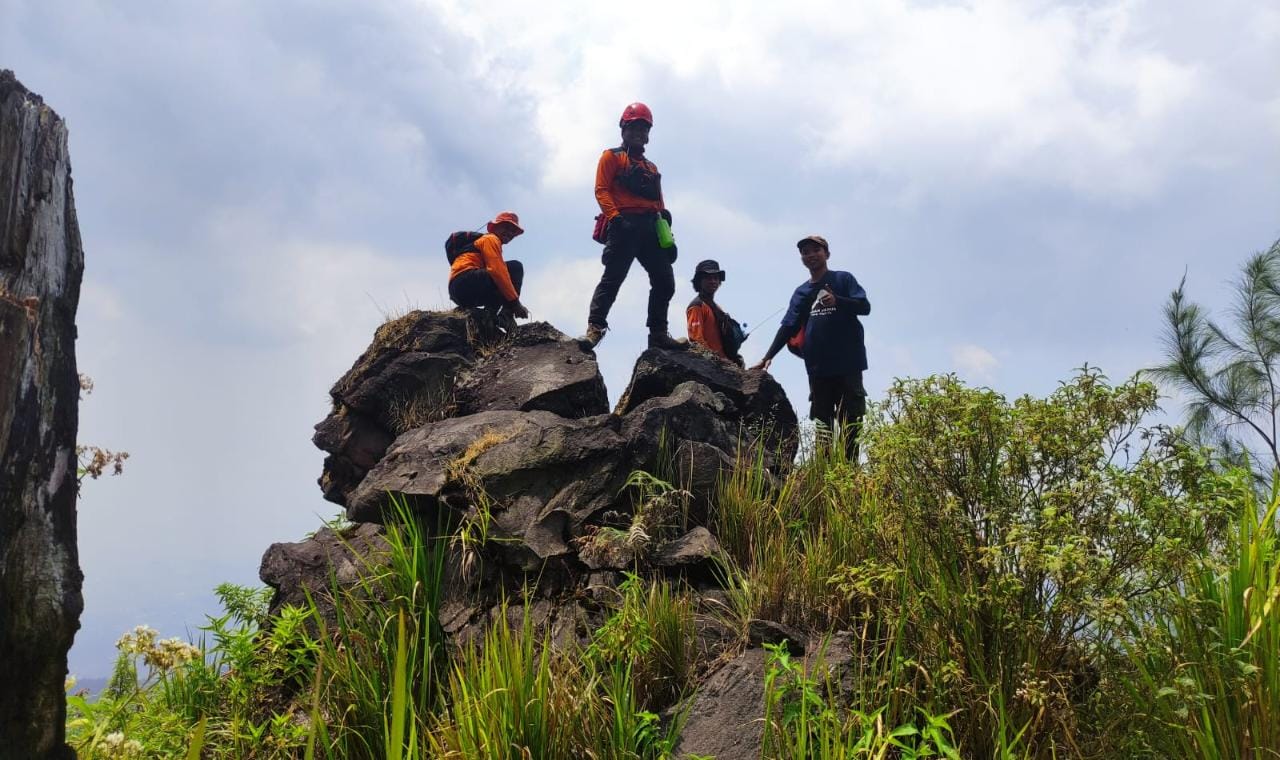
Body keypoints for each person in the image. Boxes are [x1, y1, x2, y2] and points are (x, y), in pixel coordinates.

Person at [752, 235, 870, 457]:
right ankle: (824, 477)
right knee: (823, 428)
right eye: (805, 252)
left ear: (827, 254)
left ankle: (850, 476)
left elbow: (865, 307)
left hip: (848, 365)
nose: (811, 255)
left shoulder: (843, 279)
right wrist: (768, 357)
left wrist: (839, 301)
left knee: (851, 426)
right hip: (818, 369)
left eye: (816, 250)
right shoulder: (801, 292)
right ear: (802, 259)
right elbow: (788, 326)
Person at [581, 102, 685, 350]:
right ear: (624, 128)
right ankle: (595, 328)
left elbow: (659, 204)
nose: (640, 132)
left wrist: (667, 236)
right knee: (613, 278)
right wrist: (616, 218)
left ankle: (658, 334)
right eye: (635, 126)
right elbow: (601, 190)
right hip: (623, 225)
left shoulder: (651, 168)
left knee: (665, 280)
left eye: (644, 128)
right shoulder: (612, 157)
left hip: (650, 226)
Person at [448, 211, 530, 329]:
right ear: (495, 227)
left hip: (459, 291)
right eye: (506, 227)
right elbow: (497, 271)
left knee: (500, 290)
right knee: (515, 268)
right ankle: (507, 314)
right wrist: (515, 303)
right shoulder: (491, 239)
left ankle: (488, 318)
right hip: (464, 281)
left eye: (513, 231)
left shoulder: (488, 241)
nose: (510, 233)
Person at [687, 259, 744, 366]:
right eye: (708, 278)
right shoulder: (696, 306)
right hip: (712, 366)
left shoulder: (717, 308)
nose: (713, 281)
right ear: (699, 281)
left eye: (716, 278)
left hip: (726, 363)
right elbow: (696, 340)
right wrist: (716, 361)